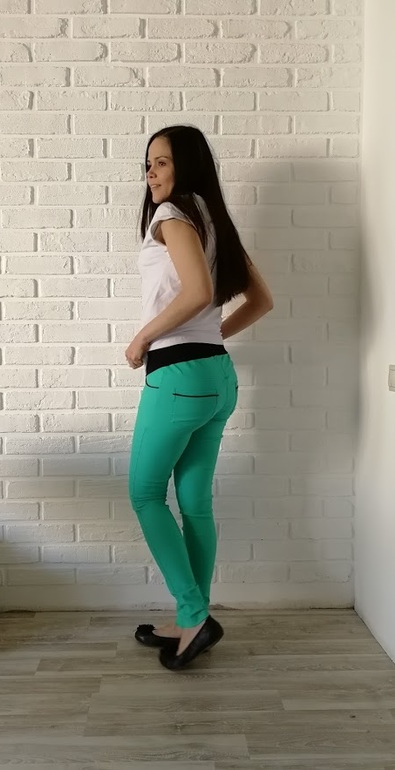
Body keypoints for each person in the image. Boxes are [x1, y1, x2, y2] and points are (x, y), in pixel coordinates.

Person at [126, 125, 274, 671]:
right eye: (148, 163)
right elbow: (261, 300)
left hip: (178, 378)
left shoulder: (171, 216)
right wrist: (210, 339)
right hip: (218, 377)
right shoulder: (215, 221)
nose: (151, 172)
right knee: (194, 504)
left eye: (162, 162)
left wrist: (143, 338)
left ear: (186, 165)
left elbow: (198, 294)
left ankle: (194, 612)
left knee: (145, 494)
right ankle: (192, 621)